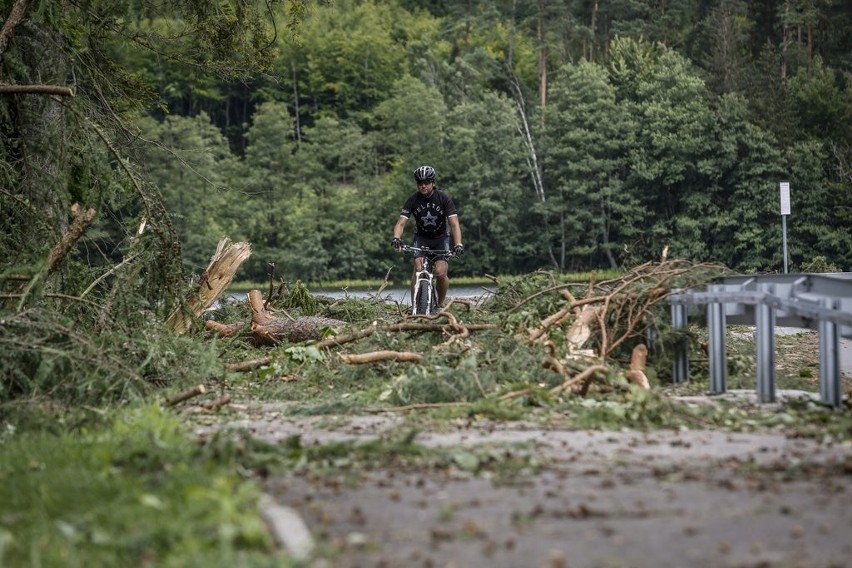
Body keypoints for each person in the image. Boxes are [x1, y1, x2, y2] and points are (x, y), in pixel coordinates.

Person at [391, 165, 464, 308]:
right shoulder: (412, 200)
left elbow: (454, 224)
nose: (423, 186)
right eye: (420, 183)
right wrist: (396, 238)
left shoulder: (443, 198)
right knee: (418, 269)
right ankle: (414, 305)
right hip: (421, 238)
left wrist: (458, 244)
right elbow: (400, 224)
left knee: (440, 272)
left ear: (433, 182)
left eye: (426, 182)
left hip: (440, 239)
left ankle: (440, 305)